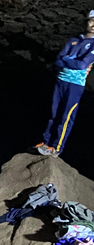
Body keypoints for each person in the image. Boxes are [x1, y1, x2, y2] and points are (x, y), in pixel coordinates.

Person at [35, 10, 94, 158]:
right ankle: (45, 141)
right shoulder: (73, 40)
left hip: (75, 85)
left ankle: (56, 147)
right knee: (53, 113)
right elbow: (58, 59)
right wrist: (69, 61)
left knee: (66, 117)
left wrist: (67, 60)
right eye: (92, 21)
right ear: (86, 22)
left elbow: (82, 65)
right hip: (61, 81)